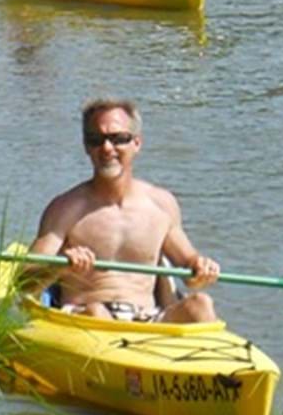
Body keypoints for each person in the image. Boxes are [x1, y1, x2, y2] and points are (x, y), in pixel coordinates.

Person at [27, 98, 221, 323]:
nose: (107, 148)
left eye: (118, 139)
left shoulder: (161, 205)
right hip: (87, 316)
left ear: (137, 143)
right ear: (86, 146)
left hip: (147, 319)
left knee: (201, 304)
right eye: (96, 139)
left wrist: (201, 268)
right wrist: (59, 265)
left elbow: (190, 270)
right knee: (96, 311)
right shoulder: (65, 209)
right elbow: (24, 280)